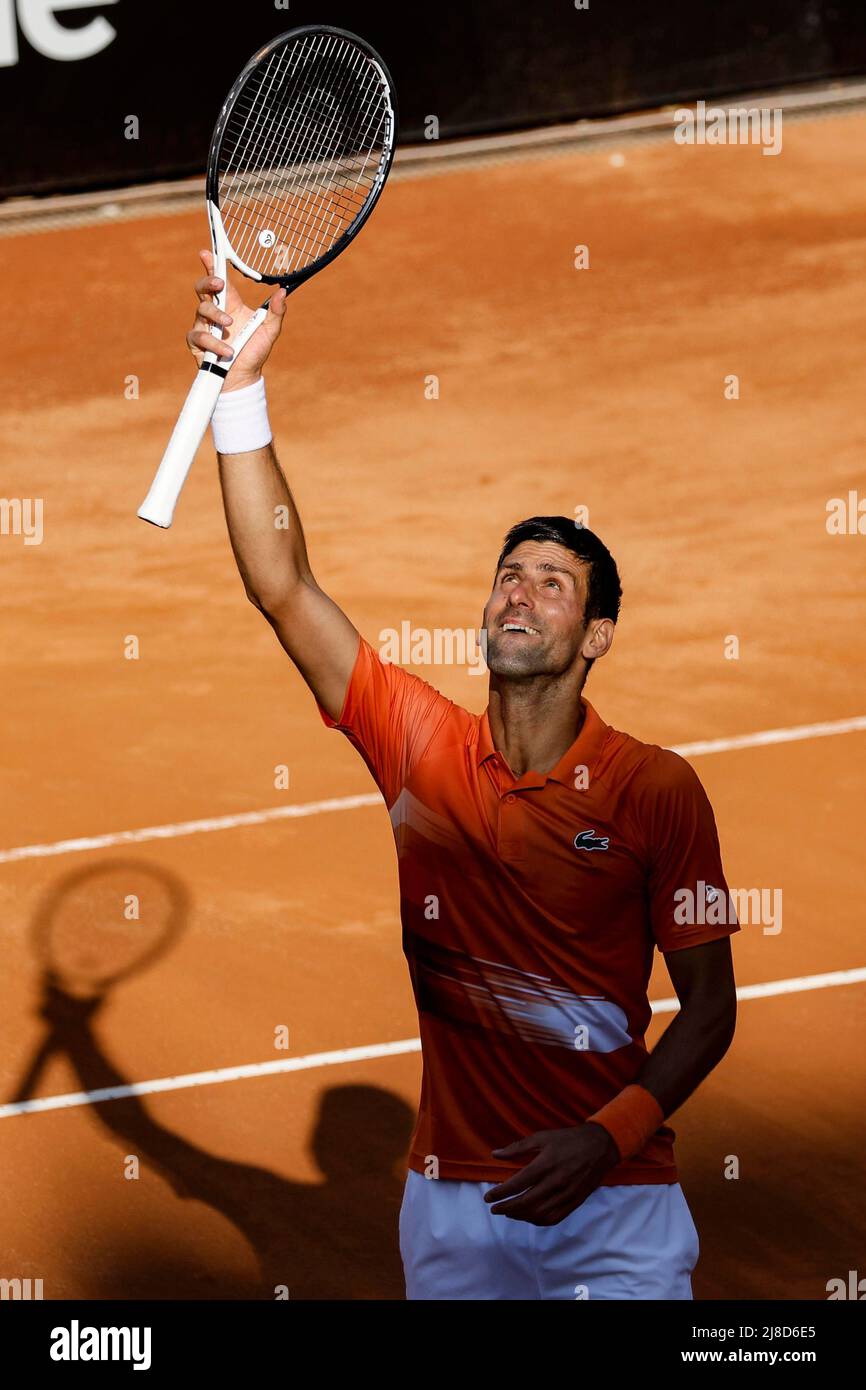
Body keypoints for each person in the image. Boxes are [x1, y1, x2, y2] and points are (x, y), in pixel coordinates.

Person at [185, 251, 739, 1301]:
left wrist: (602, 1135)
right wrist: (243, 394)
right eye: (505, 577)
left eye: (551, 583)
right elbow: (282, 585)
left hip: (614, 1200)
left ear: (598, 636)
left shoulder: (656, 790)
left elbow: (708, 1009)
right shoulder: (415, 743)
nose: (517, 596)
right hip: (451, 1209)